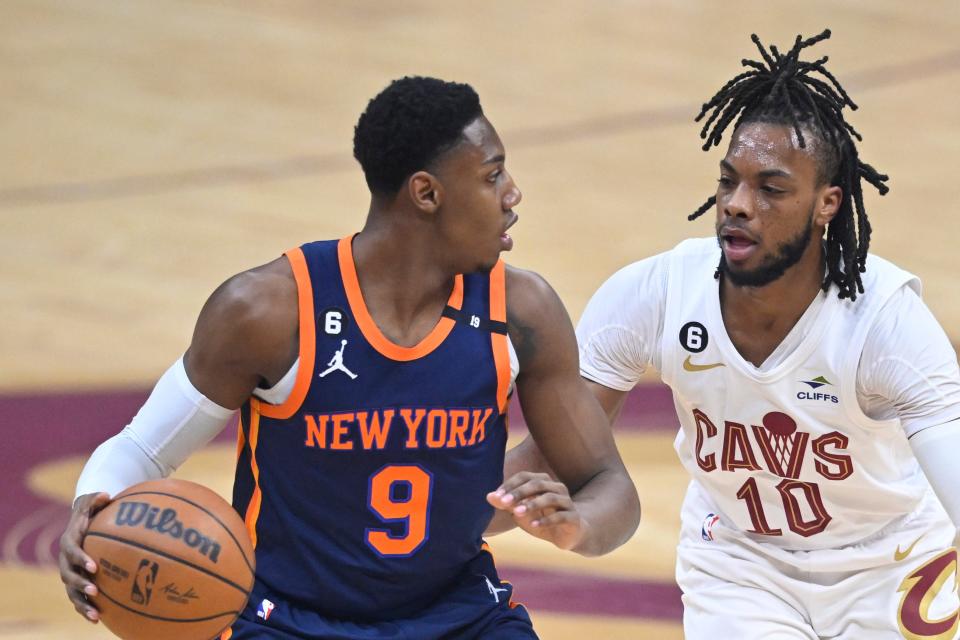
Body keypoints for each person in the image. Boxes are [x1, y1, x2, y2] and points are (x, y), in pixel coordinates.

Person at [58, 76, 640, 639]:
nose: (512, 194)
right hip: (285, 620)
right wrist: (91, 506)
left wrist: (577, 526)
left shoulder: (520, 311)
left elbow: (608, 484)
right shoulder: (267, 310)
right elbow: (142, 449)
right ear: (426, 193)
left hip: (461, 616)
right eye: (492, 176)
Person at [508, 30, 960, 638]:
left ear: (827, 204)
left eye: (771, 189)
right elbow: (562, 450)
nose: (738, 205)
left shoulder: (884, 323)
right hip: (741, 564)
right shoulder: (656, 294)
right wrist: (440, 511)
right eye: (729, 181)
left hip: (892, 563)